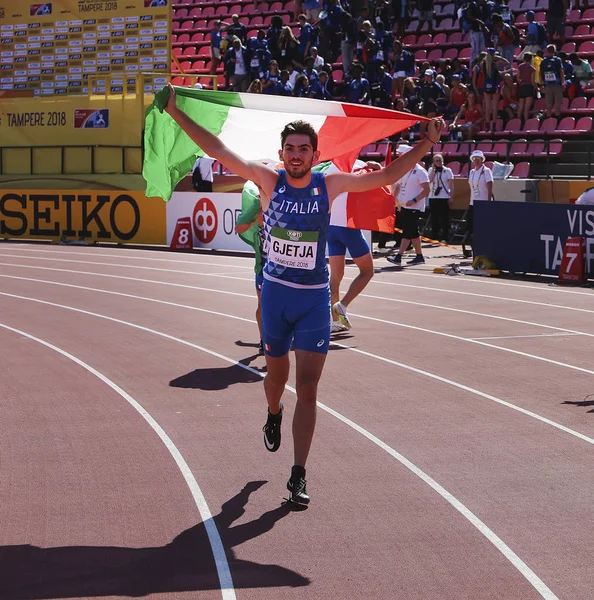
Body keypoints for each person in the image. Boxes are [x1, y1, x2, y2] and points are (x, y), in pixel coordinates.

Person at [164, 84, 444, 505]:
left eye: (303, 148)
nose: (296, 154)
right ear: (282, 153)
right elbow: (218, 149)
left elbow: (385, 177)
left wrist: (427, 142)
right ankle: (273, 414)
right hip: (276, 297)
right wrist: (175, 112)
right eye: (290, 148)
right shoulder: (267, 179)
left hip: (313, 300)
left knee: (308, 389)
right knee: (275, 382)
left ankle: (299, 474)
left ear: (315, 155)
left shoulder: (328, 184)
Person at [235, 182, 267, 354]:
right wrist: (256, 219)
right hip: (262, 269)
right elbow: (238, 228)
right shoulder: (257, 211)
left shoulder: (282, 213)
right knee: (262, 305)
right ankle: (263, 339)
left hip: (284, 271)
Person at [386, 144, 431, 266]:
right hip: (404, 206)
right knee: (410, 232)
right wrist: (394, 198)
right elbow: (399, 186)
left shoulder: (420, 171)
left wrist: (415, 200)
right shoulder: (404, 170)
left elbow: (426, 190)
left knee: (409, 232)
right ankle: (416, 256)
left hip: (414, 207)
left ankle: (401, 256)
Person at [465, 149, 494, 256]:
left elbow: (490, 186)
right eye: (474, 159)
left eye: (478, 159)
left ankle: (484, 249)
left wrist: (488, 201)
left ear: (482, 160)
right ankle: (475, 249)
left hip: (483, 203)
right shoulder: (472, 172)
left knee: (483, 227)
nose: (476, 160)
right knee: (471, 227)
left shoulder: (486, 171)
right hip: (473, 203)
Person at [427, 153, 454, 242]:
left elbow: (451, 185)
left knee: (444, 218)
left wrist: (451, 197)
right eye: (436, 161)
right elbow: (429, 181)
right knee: (434, 218)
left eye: (440, 160)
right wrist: (433, 171)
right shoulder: (431, 170)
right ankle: (434, 236)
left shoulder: (447, 170)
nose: (438, 162)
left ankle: (445, 237)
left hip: (444, 197)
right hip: (433, 197)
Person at [540, 44, 564, 118]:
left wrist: (541, 84)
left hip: (547, 84)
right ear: (554, 51)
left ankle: (548, 118)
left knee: (549, 104)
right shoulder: (557, 60)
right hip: (557, 84)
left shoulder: (544, 61)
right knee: (557, 103)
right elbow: (561, 71)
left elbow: (540, 73)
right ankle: (557, 119)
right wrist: (563, 82)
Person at [517, 52, 536, 122]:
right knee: (526, 108)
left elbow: (518, 78)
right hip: (529, 87)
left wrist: (521, 83)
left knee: (521, 107)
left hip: (522, 87)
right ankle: (526, 122)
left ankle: (518, 122)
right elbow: (532, 81)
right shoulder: (532, 68)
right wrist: (537, 88)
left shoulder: (520, 66)